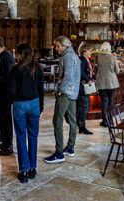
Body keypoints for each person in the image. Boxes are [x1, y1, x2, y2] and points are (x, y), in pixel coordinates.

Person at [9, 43, 44, 182]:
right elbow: (41, 90)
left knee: (21, 136)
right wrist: (41, 107)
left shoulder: (15, 69)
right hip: (34, 103)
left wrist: (13, 101)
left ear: (19, 54)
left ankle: (23, 170)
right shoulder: (38, 68)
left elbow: (11, 90)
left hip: (19, 104)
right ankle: (33, 169)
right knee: (33, 136)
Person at [44, 36, 79, 164]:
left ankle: (59, 153)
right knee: (72, 120)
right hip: (73, 93)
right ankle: (70, 147)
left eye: (58, 46)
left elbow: (68, 76)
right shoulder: (75, 56)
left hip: (66, 93)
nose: (56, 48)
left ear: (65, 46)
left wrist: (60, 90)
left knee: (57, 121)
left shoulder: (68, 57)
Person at [95, 42, 119, 127]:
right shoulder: (113, 57)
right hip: (111, 81)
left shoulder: (98, 57)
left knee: (104, 101)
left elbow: (95, 70)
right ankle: (110, 120)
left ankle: (104, 121)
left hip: (101, 81)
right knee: (110, 100)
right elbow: (117, 70)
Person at [77, 43, 94, 135]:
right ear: (85, 51)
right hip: (82, 87)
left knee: (85, 105)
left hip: (85, 86)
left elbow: (89, 71)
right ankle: (81, 125)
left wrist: (93, 77)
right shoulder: (82, 60)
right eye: (90, 51)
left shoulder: (85, 60)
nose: (91, 53)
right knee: (85, 105)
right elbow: (81, 72)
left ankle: (79, 123)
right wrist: (87, 80)